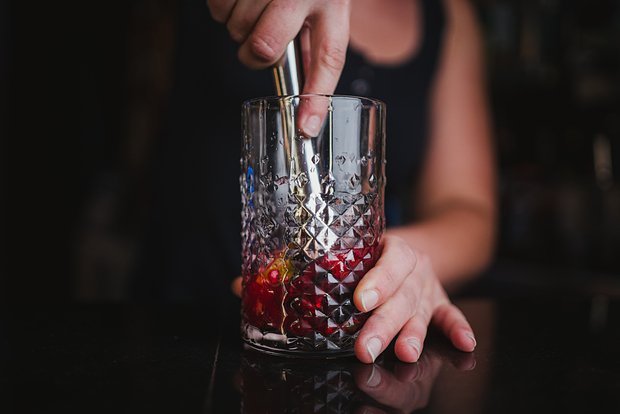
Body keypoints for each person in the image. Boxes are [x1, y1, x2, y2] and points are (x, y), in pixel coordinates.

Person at [135, 0, 494, 364]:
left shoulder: (450, 13)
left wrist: (397, 267)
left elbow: (468, 209)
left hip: (345, 329)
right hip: (177, 319)